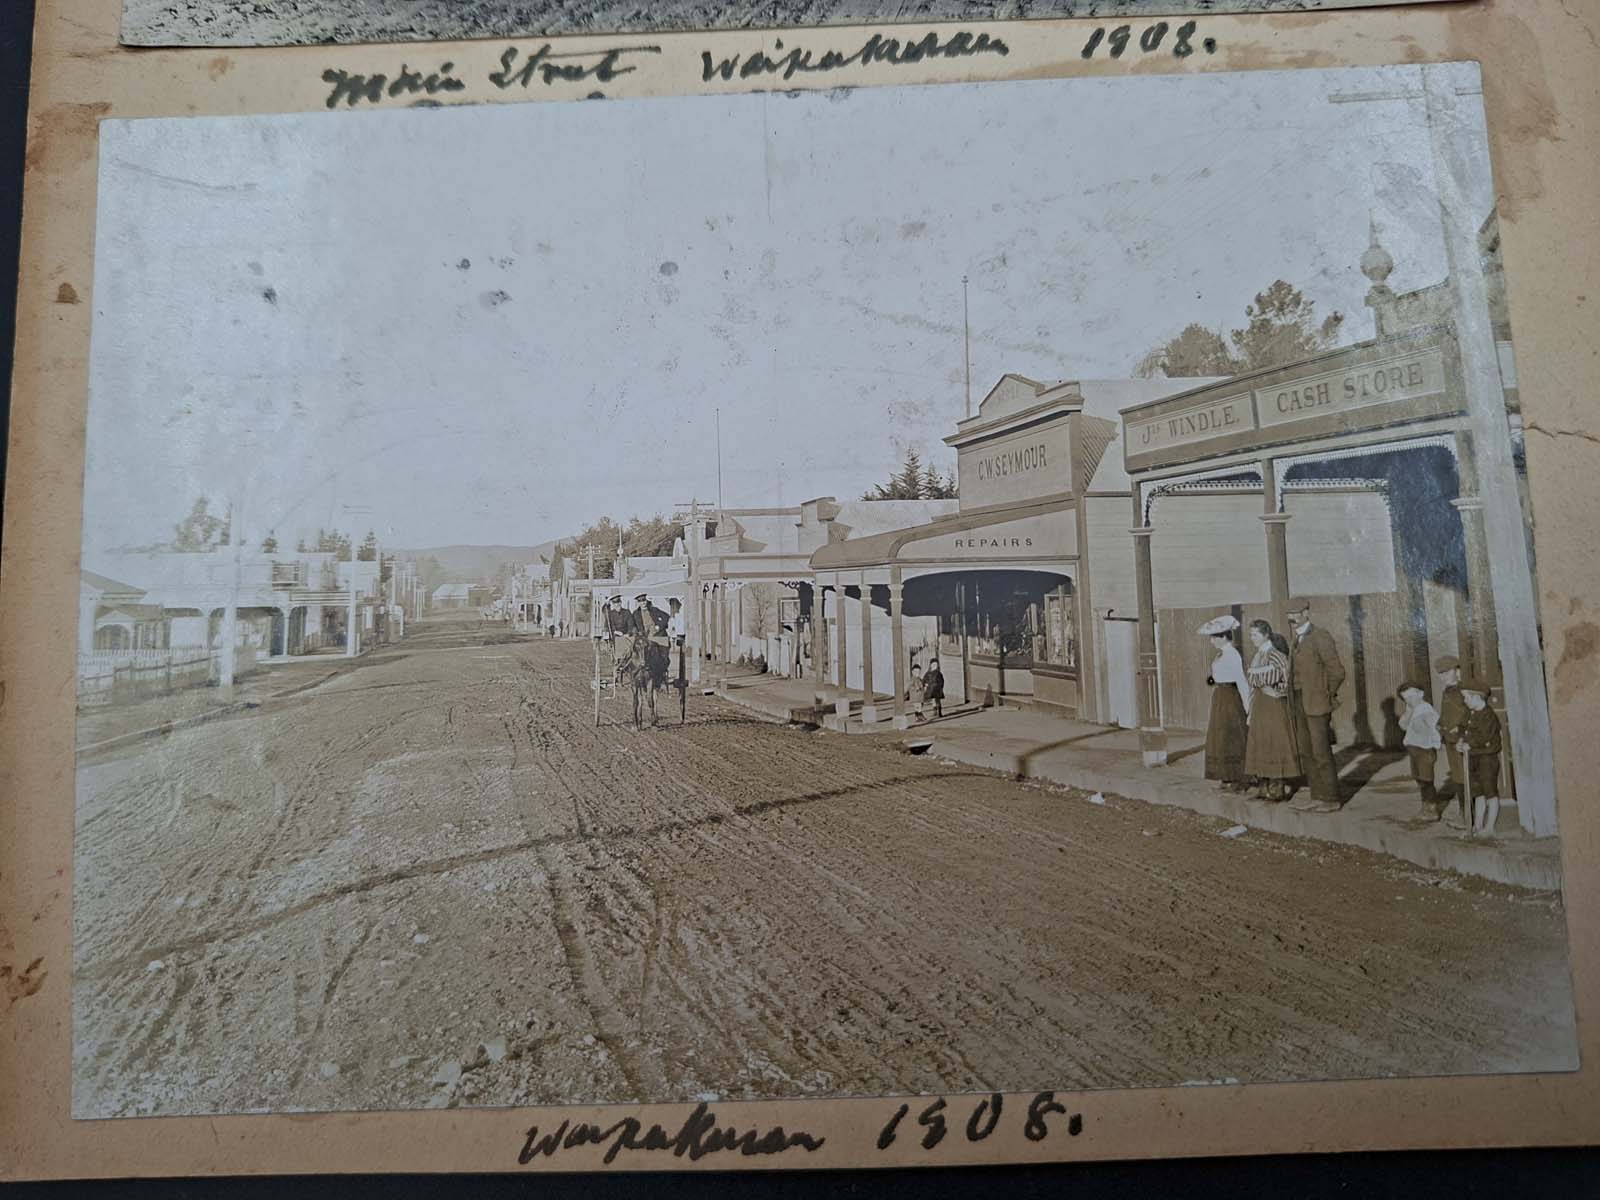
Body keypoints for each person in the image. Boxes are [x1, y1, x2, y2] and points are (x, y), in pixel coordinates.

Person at [1286, 597, 1347, 814]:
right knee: (1306, 751)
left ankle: (1331, 798)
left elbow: (1337, 671)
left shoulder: (1320, 636)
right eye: (1289, 614)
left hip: (1316, 703)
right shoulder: (1296, 639)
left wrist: (1324, 693)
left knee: (1321, 751)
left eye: (1295, 613)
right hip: (1299, 702)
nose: (1291, 618)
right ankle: (1316, 796)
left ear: (1306, 613)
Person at [1243, 619, 1299, 801]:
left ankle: (1277, 789)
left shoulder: (1276, 655)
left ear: (1266, 635)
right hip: (1260, 704)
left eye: (1255, 635)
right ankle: (1263, 786)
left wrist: (1276, 692)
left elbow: (1287, 680)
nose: (1252, 638)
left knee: (1275, 743)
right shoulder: (1257, 656)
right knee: (1260, 742)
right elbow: (1252, 681)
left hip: (1273, 706)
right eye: (1251, 635)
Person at [1200, 615, 1250, 792]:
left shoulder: (1233, 654)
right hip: (1220, 697)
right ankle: (1226, 776)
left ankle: (1239, 779)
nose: (1211, 641)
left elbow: (1241, 680)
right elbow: (1217, 677)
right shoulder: (1221, 655)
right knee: (1220, 737)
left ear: (1223, 637)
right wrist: (1212, 682)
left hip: (1230, 699)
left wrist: (1247, 706)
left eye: (1214, 637)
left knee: (1232, 737)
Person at [1453, 679, 1503, 837]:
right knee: (1478, 793)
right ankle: (1478, 825)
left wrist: (1470, 744)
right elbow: (1462, 728)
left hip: (1487, 759)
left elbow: (1484, 736)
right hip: (1473, 757)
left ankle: (1490, 828)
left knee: (1490, 792)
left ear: (1477, 697)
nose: (1465, 701)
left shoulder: (1488, 715)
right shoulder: (1469, 713)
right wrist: (1460, 742)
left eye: (1467, 697)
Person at [1397, 681, 1443, 820]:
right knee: (1419, 778)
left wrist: (1436, 744)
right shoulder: (1412, 710)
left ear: (1421, 694)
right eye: (1406, 698)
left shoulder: (1426, 709)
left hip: (1425, 749)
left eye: (1412, 696)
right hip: (1414, 749)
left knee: (1426, 779)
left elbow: (1436, 727)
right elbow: (1403, 726)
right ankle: (1425, 807)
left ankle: (1432, 809)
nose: (1410, 700)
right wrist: (1409, 711)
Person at [1434, 655, 1467, 807]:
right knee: (1457, 776)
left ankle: (1468, 816)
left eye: (1447, 673)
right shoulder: (1447, 690)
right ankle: (1464, 814)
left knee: (1464, 776)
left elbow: (1468, 713)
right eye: (1440, 674)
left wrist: (1460, 728)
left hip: (1462, 739)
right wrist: (1439, 725)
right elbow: (1446, 713)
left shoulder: (1464, 689)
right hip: (1449, 739)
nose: (1443, 677)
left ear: (1457, 671)